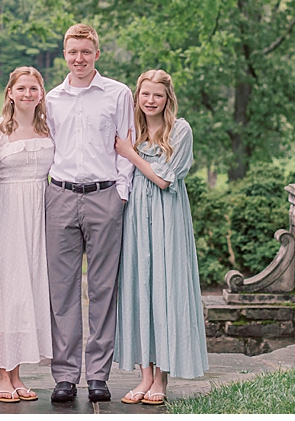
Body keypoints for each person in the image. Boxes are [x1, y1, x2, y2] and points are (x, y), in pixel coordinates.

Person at [44, 23, 134, 404]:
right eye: (72, 52)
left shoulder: (118, 94)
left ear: (97, 53)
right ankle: (65, 376)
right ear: (64, 55)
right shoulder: (51, 99)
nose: (78, 58)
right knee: (61, 291)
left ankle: (98, 374)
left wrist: (121, 194)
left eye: (85, 51)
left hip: (104, 196)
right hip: (60, 196)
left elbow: (126, 143)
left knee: (102, 289)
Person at [112, 69, 209, 405]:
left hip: (168, 216)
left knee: (165, 289)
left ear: (168, 99)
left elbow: (164, 180)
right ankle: (144, 377)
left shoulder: (179, 130)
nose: (150, 101)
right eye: (145, 94)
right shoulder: (132, 129)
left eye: (157, 95)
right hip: (135, 215)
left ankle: (161, 380)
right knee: (139, 286)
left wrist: (130, 153)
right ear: (137, 96)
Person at [0, 67, 54, 402]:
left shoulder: (48, 128)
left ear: (41, 92)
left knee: (29, 293)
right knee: (6, 293)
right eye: (20, 88)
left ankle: (18, 373)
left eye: (33, 88)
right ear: (10, 92)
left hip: (38, 216)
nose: (27, 94)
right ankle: (2, 375)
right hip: (4, 215)